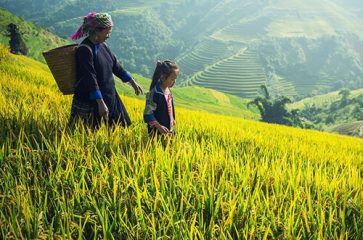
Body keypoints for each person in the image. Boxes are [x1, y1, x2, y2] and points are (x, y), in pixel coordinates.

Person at [69, 12, 143, 128]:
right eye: (107, 32)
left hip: (110, 96)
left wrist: (132, 82)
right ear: (97, 31)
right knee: (91, 133)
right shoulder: (85, 50)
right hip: (92, 101)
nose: (108, 36)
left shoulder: (103, 46)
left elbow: (115, 66)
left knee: (121, 128)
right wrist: (100, 103)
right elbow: (90, 78)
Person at [144, 60, 179, 136]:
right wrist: (159, 127)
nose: (174, 82)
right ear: (163, 78)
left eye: (176, 79)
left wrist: (172, 120)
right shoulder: (155, 92)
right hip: (157, 133)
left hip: (168, 130)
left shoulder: (168, 91)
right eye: (172, 79)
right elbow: (147, 113)